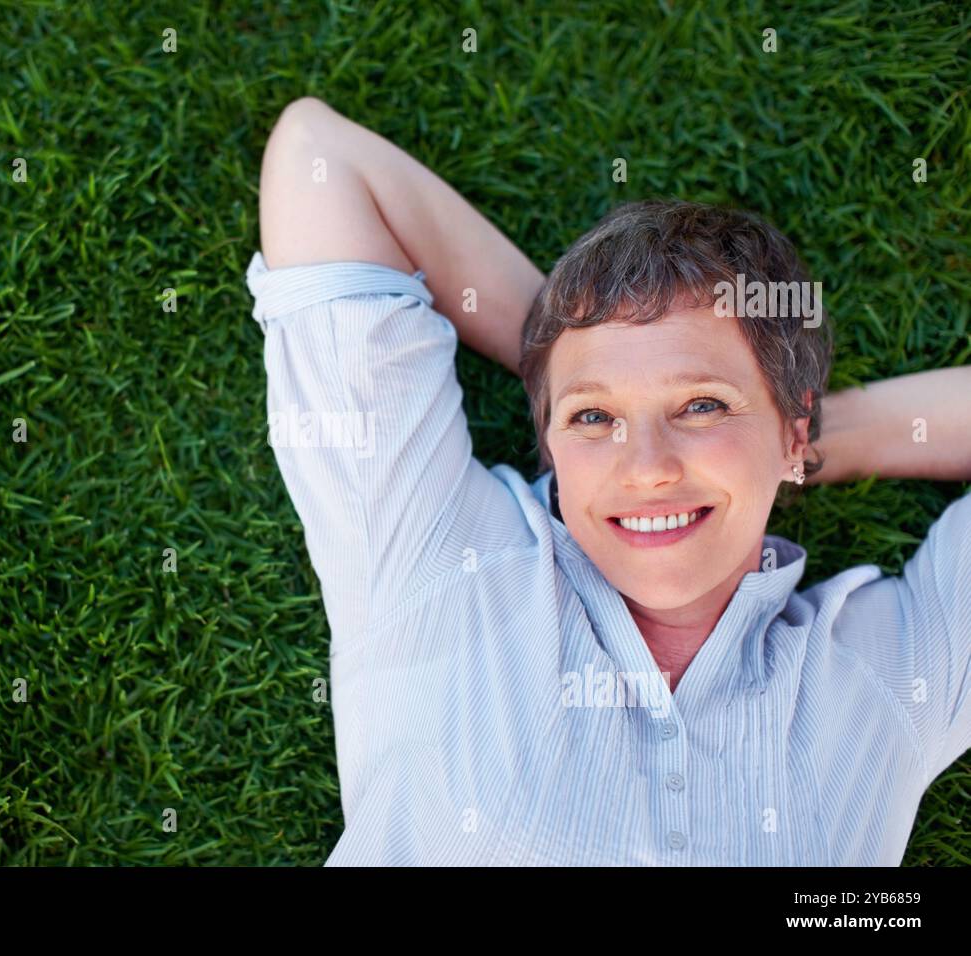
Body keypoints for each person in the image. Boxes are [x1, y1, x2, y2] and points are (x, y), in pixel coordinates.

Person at [245, 96, 971, 865]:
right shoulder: (439, 559)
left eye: (701, 405)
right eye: (593, 418)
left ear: (795, 431)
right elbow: (319, 160)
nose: (648, 469)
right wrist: (567, 342)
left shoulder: (882, 675)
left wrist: (798, 439)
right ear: (551, 442)